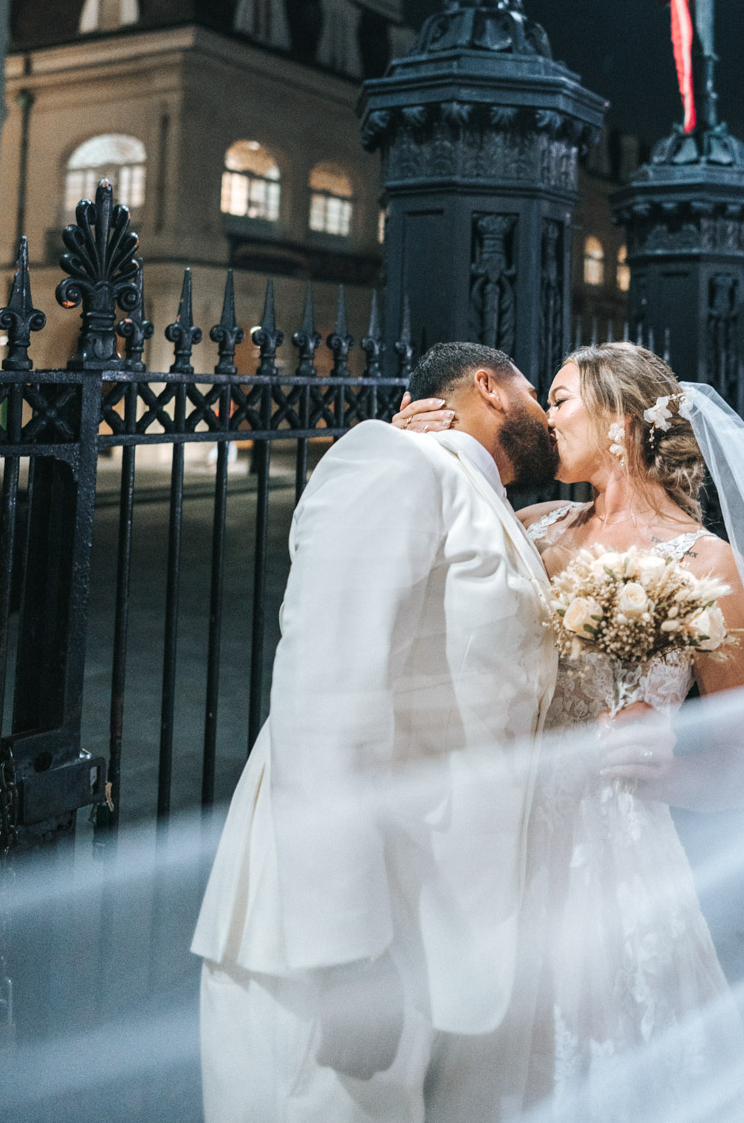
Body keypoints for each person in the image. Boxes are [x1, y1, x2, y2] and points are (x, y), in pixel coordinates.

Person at [192, 341, 560, 1123]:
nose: (549, 416)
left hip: (446, 921)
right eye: (539, 393)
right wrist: (344, 953)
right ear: (488, 388)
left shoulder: (485, 497)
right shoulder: (395, 462)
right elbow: (326, 696)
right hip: (350, 935)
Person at [396, 341, 744, 1106]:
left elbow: (740, 765)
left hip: (616, 858)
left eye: (560, 399)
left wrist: (665, 765)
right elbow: (407, 575)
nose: (543, 416)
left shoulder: (709, 566)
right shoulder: (529, 527)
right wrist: (407, 459)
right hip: (500, 829)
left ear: (621, 423)